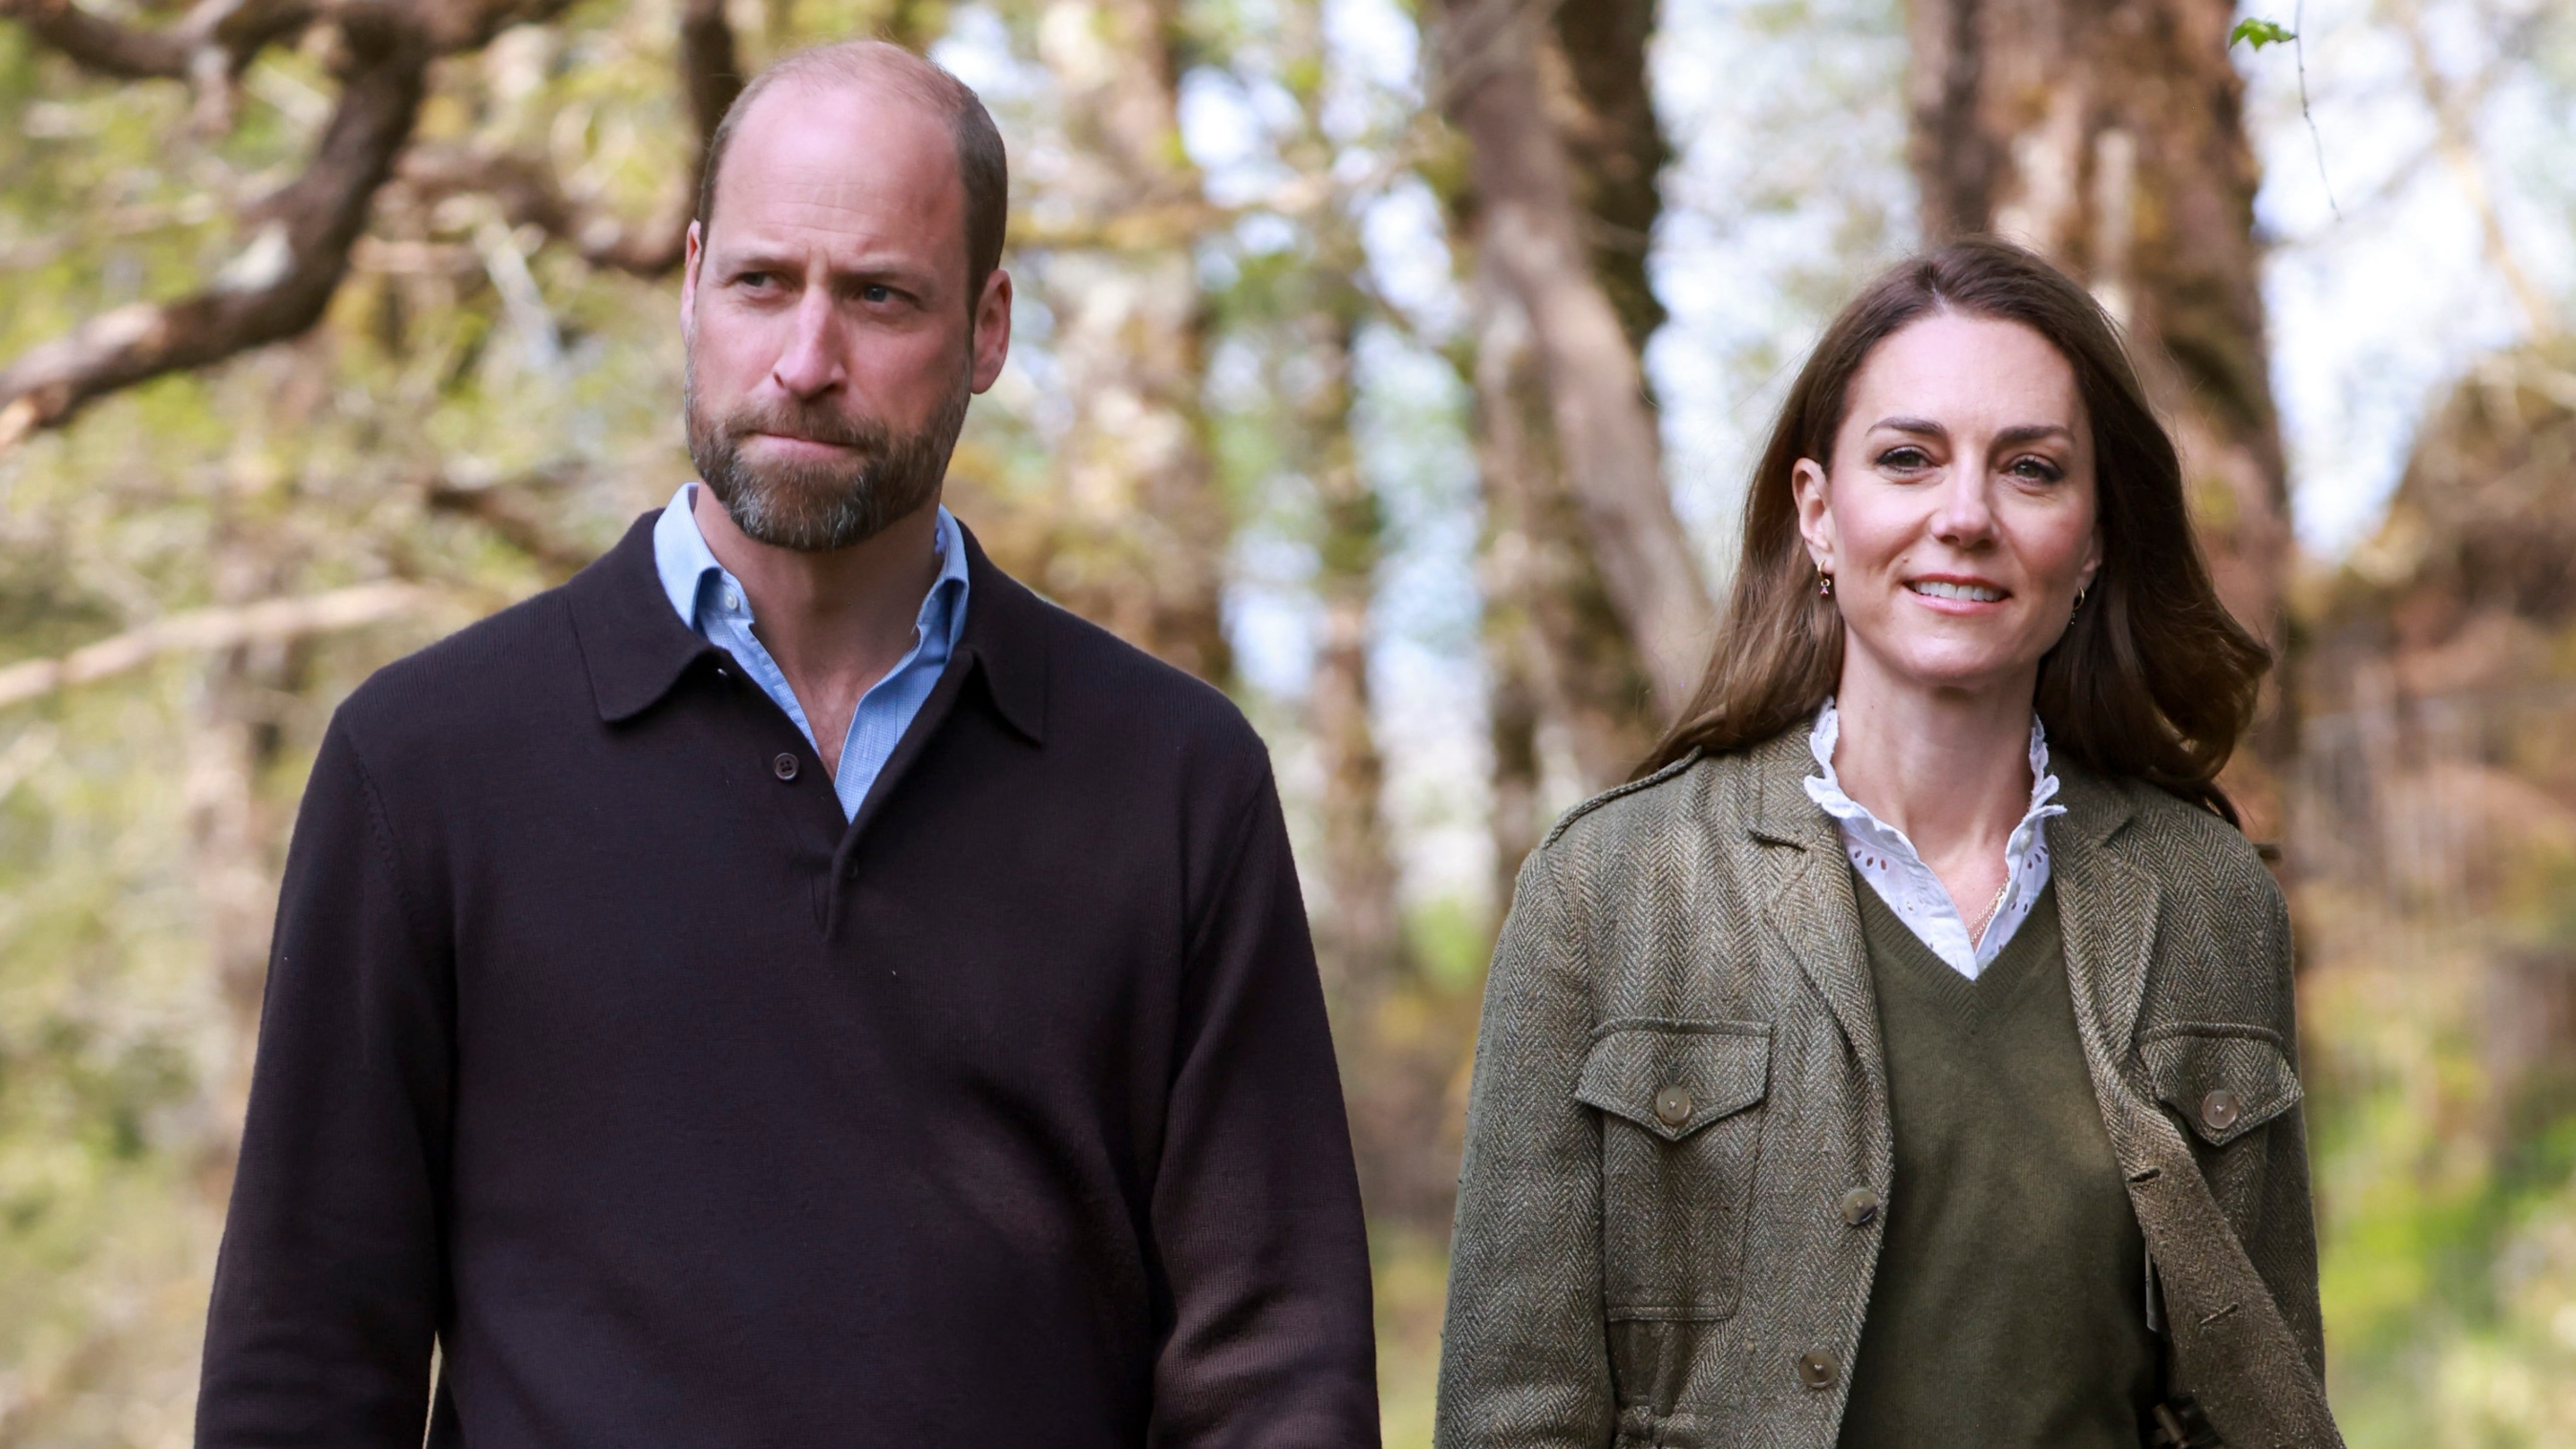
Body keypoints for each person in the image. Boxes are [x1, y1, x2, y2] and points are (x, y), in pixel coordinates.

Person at [196, 40, 1379, 1447]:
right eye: (764, 283)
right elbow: (305, 1364)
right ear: (691, 282)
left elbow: (1276, 1372)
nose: (807, 362)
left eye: (880, 297)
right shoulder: (425, 764)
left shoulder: (1175, 780)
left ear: (988, 329)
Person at [1435, 239, 2339, 1449]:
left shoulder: (2208, 898)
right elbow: (1514, 1415)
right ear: (1817, 510)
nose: (1963, 515)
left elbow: (2259, 1399)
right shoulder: (1611, 889)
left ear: (2095, 535)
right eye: (1908, 459)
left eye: (2030, 469)